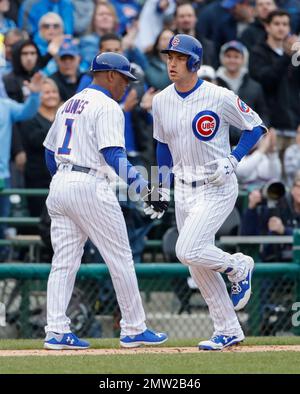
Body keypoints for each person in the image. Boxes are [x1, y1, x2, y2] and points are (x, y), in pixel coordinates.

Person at [146, 34, 267, 351]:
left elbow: (255, 127)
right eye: (169, 57)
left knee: (187, 249)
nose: (172, 62)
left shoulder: (219, 95)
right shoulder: (160, 100)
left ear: (194, 61)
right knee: (197, 265)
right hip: (184, 186)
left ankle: (239, 266)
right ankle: (228, 329)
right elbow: (162, 146)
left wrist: (233, 158)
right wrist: (161, 185)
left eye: (179, 57)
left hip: (217, 185)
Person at [43, 52, 168, 350]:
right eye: (124, 79)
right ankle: (134, 327)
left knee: (63, 262)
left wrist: (63, 180)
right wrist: (145, 189)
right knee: (121, 257)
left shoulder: (69, 103)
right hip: (90, 184)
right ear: (110, 75)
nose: (127, 86)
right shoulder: (108, 105)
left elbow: (49, 152)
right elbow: (114, 155)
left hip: (61, 182)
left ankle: (57, 330)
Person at [0, 72, 42, 261]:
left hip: (3, 175)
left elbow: (27, 112)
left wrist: (34, 95)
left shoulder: (5, 106)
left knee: (2, 224)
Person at [20, 78, 61, 217]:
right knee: (42, 220)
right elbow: (35, 140)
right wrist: (58, 125)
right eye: (47, 92)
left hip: (61, 176)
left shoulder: (63, 115)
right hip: (38, 177)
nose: (51, 95)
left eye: (54, 92)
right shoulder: (30, 116)